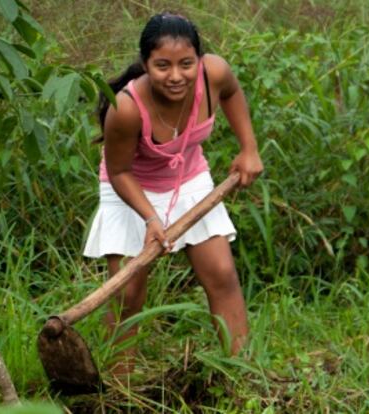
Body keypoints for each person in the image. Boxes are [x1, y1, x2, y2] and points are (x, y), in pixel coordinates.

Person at [84, 12, 263, 375]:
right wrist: (151, 217)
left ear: (199, 58)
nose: (177, 76)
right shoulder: (127, 107)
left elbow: (231, 92)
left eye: (186, 63)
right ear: (146, 64)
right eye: (163, 65)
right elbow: (119, 171)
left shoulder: (214, 74)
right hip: (131, 188)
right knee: (128, 295)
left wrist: (249, 148)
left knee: (222, 274)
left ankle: (243, 375)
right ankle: (120, 388)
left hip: (189, 177)